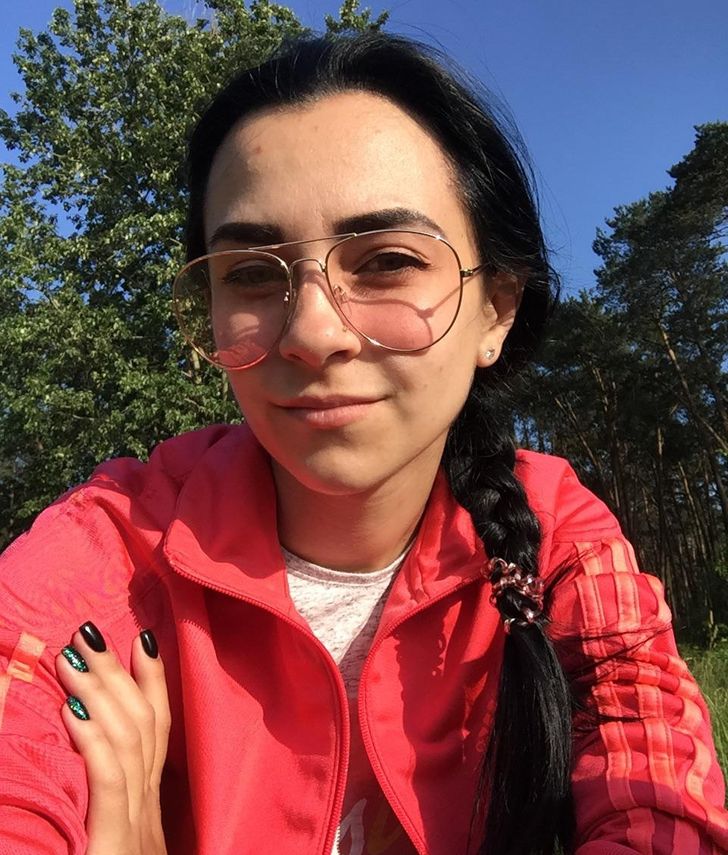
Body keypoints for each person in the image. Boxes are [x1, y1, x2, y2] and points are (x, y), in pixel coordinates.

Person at [0, 31, 726, 855]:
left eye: (386, 261)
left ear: (496, 307)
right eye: (250, 273)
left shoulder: (559, 543)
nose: (312, 333)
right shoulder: (118, 542)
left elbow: (658, 800)